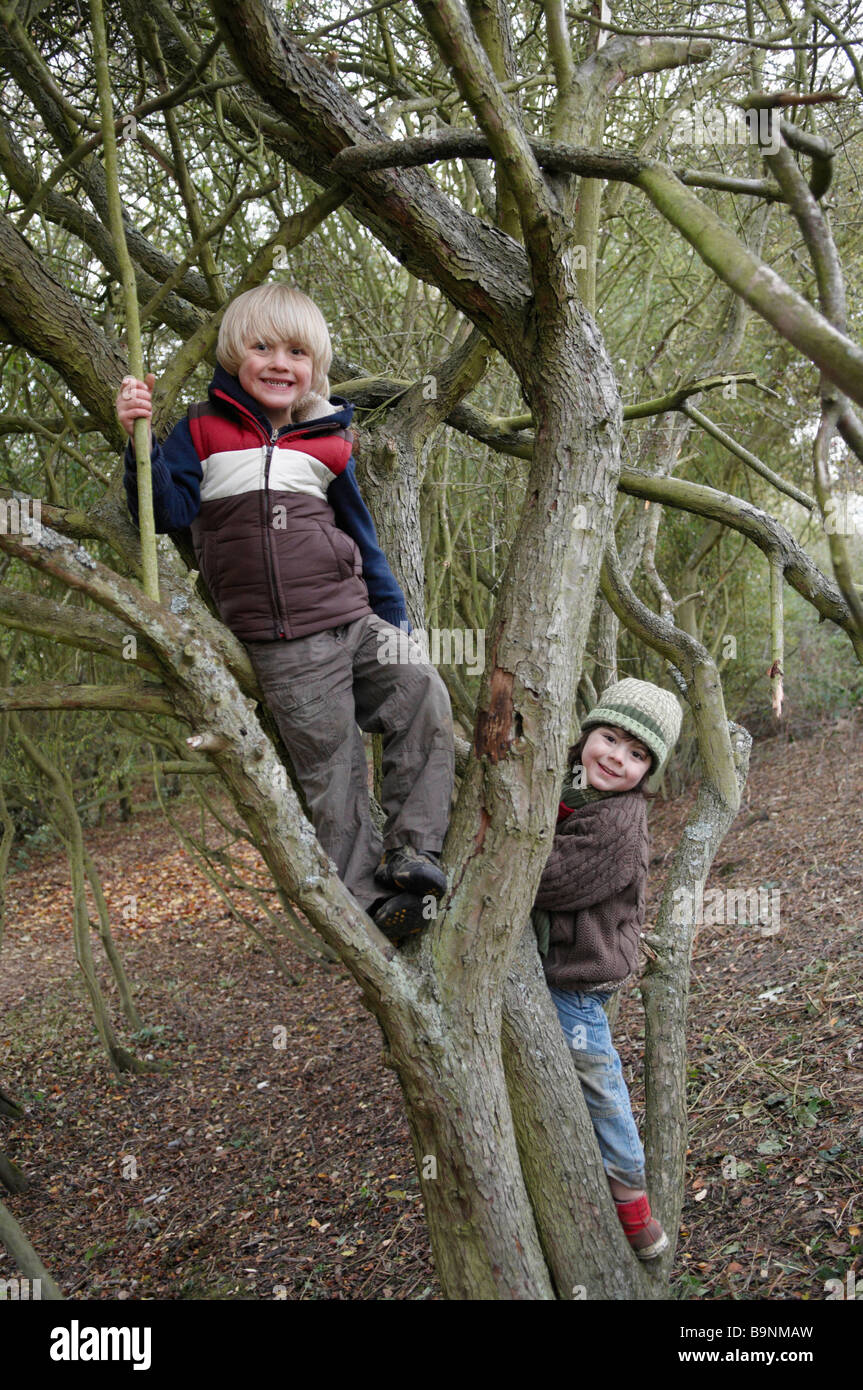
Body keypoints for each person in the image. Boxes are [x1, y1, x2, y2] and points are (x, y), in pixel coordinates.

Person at [116, 283, 454, 942]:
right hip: (285, 643)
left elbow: (362, 539)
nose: (279, 362)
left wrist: (397, 627)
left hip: (355, 619)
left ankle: (414, 850)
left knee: (423, 694)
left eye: (296, 351)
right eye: (262, 347)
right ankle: (368, 898)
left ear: (316, 367)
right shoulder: (204, 431)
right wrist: (138, 443)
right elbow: (166, 511)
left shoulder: (327, 442)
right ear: (233, 356)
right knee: (332, 769)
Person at [531, 677, 683, 1259]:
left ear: (649, 770)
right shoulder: (569, 779)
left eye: (637, 753)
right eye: (610, 738)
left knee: (597, 1078)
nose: (617, 757)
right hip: (561, 957)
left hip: (579, 974)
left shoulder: (619, 823)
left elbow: (546, 879)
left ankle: (630, 1194)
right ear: (588, 732)